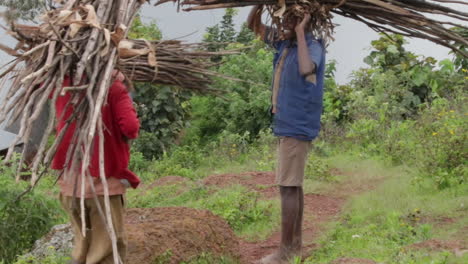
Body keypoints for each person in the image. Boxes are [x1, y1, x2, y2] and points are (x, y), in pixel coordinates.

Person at [248, 5, 326, 264]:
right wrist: (258, 6)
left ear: (305, 22)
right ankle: (295, 246)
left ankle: (285, 252)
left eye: (290, 20)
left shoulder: (312, 45)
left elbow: (306, 69)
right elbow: (254, 27)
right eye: (281, 19)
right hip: (288, 123)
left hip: (297, 124)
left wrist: (302, 32)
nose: (282, 25)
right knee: (293, 186)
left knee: (288, 187)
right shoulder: (284, 44)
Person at [51, 71, 140, 264]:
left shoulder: (63, 85)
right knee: (106, 250)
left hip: (70, 184)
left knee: (82, 246)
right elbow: (130, 128)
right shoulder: (113, 89)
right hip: (102, 185)